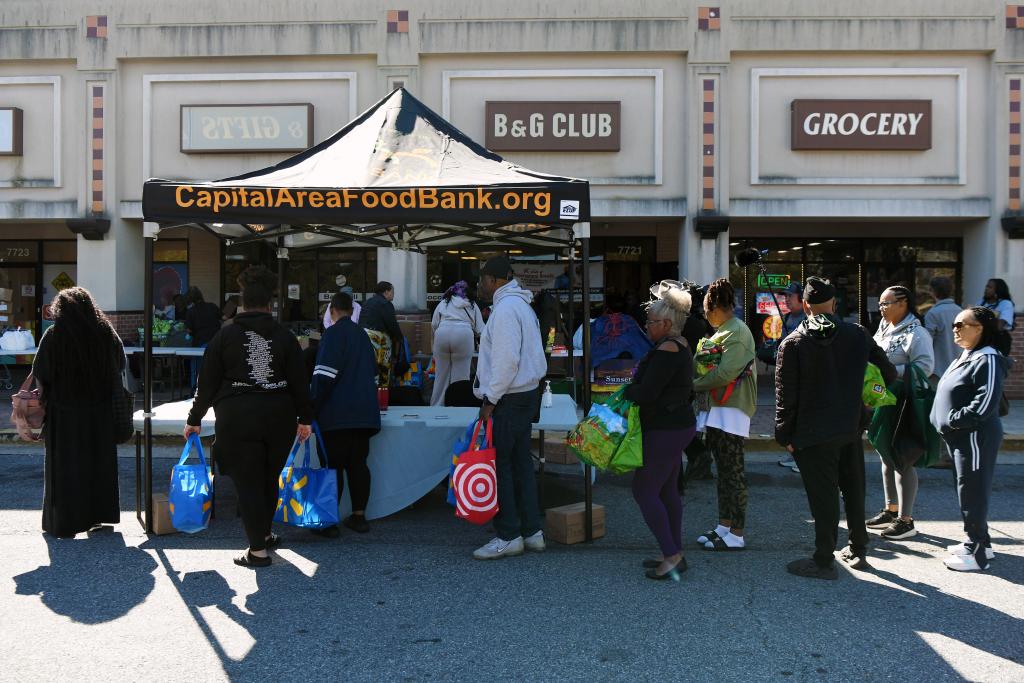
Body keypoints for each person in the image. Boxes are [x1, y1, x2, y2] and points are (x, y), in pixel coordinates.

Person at [185, 266, 313, 568]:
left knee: (248, 483)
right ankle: (264, 535)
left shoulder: (225, 336)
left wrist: (195, 418)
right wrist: (305, 418)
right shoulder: (285, 337)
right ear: (270, 304)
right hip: (279, 415)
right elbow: (300, 382)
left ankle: (257, 551)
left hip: (237, 416)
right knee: (269, 478)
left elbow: (207, 383)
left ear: (242, 304)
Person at [775, 277, 895, 579]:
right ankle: (858, 548)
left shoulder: (794, 342)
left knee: (823, 497)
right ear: (834, 303)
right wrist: (866, 402)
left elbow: (785, 396)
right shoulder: (857, 334)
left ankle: (823, 559)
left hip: (812, 433)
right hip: (850, 427)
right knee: (853, 489)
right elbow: (888, 373)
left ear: (805, 305)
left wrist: (784, 435)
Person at [32, 287, 127, 538]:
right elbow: (120, 363)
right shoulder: (105, 332)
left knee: (64, 468)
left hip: (63, 413)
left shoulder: (54, 335)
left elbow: (41, 371)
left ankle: (65, 522)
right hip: (100, 411)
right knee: (99, 464)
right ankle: (99, 515)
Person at [471, 255, 548, 560]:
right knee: (521, 465)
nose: (480, 285)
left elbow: (506, 362)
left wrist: (490, 400)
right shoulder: (522, 306)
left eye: (482, 280)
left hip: (508, 397)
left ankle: (508, 535)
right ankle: (531, 532)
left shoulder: (504, 310)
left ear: (494, 280)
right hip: (525, 394)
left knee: (502, 467)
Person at [623, 285, 697, 580]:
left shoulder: (667, 349)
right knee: (666, 491)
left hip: (666, 428)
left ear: (666, 324)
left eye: (650, 321)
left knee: (643, 491)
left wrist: (626, 390)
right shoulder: (679, 343)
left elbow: (647, 393)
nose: (646, 325)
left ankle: (672, 555)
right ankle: (674, 550)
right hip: (675, 425)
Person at [930, 307, 1011, 572]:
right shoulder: (969, 354)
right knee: (966, 488)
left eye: (961, 324)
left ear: (980, 329)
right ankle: (982, 543)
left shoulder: (988, 358)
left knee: (972, 491)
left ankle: (976, 554)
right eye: (954, 325)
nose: (954, 329)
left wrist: (954, 420)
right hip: (962, 436)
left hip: (974, 436)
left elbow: (985, 402)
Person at [692, 278, 757, 551]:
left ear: (716, 308)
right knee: (724, 472)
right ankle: (724, 526)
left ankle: (737, 534)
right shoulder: (726, 331)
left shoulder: (737, 332)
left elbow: (725, 373)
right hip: (719, 409)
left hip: (731, 410)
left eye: (706, 310)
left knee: (733, 473)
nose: (705, 315)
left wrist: (694, 385)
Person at [310, 292, 381, 537]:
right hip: (364, 413)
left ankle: (329, 522)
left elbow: (323, 376)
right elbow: (374, 374)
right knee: (358, 465)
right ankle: (359, 516)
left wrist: (311, 407)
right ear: (352, 310)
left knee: (333, 467)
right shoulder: (363, 335)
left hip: (336, 414)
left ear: (332, 311)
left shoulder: (332, 335)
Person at [868, 286, 935, 540]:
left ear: (903, 303)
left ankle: (906, 520)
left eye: (886, 303)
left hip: (903, 402)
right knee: (885, 455)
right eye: (880, 304)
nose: (881, 308)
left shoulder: (917, 333)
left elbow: (925, 367)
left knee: (902, 457)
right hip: (882, 400)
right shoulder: (884, 327)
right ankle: (891, 509)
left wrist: (890, 371)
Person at [430, 280, 484, 406]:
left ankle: (437, 405)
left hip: (442, 334)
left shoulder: (444, 303)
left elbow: (434, 324)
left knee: (441, 375)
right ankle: (457, 405)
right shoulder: (472, 305)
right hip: (463, 335)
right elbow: (480, 329)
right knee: (460, 376)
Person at [359, 281, 405, 388]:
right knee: (383, 368)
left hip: (363, 337)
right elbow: (392, 324)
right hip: (378, 338)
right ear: (386, 292)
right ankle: (382, 392)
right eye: (392, 291)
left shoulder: (367, 303)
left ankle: (367, 391)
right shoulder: (386, 304)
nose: (393, 294)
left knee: (367, 367)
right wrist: (400, 338)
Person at [184, 286, 222, 392]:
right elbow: (224, 318)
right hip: (216, 342)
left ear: (190, 300)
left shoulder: (191, 311)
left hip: (200, 344)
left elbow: (189, 330)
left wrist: (187, 333)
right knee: (214, 368)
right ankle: (215, 389)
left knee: (197, 369)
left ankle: (195, 390)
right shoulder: (212, 306)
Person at [924, 276, 962, 379]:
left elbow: (927, 342)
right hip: (959, 368)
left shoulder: (933, 313)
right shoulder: (960, 311)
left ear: (932, 291)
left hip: (938, 370)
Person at [979, 278, 1015, 355]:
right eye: (986, 286)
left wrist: (982, 318)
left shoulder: (1005, 304)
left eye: (990, 287)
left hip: (998, 341)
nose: (986, 289)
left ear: (998, 290)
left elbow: (999, 326)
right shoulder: (981, 303)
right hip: (981, 339)